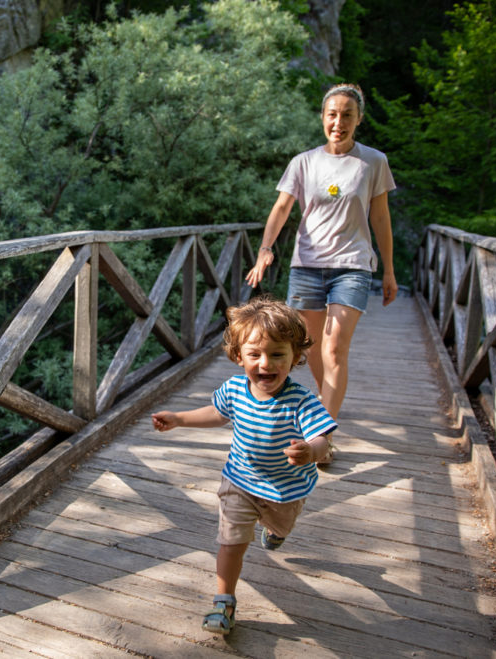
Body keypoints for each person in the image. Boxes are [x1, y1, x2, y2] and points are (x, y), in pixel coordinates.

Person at [151, 296, 337, 635]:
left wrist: (311, 451)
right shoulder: (235, 389)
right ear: (239, 356)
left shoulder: (301, 401)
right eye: (255, 354)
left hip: (286, 489)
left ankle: (275, 532)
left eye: (278, 354)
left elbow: (323, 436)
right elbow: (217, 414)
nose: (265, 364)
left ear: (295, 357)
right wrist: (180, 418)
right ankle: (224, 602)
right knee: (231, 542)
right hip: (240, 481)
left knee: (281, 528)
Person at [245, 83, 397, 463]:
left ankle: (323, 439)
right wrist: (265, 250)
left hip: (353, 266)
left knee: (334, 347)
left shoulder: (373, 162)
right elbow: (282, 208)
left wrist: (389, 270)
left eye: (347, 115)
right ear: (323, 117)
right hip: (307, 266)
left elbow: (380, 217)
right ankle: (327, 394)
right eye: (332, 114)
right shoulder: (304, 162)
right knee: (309, 347)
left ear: (359, 119)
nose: (339, 122)